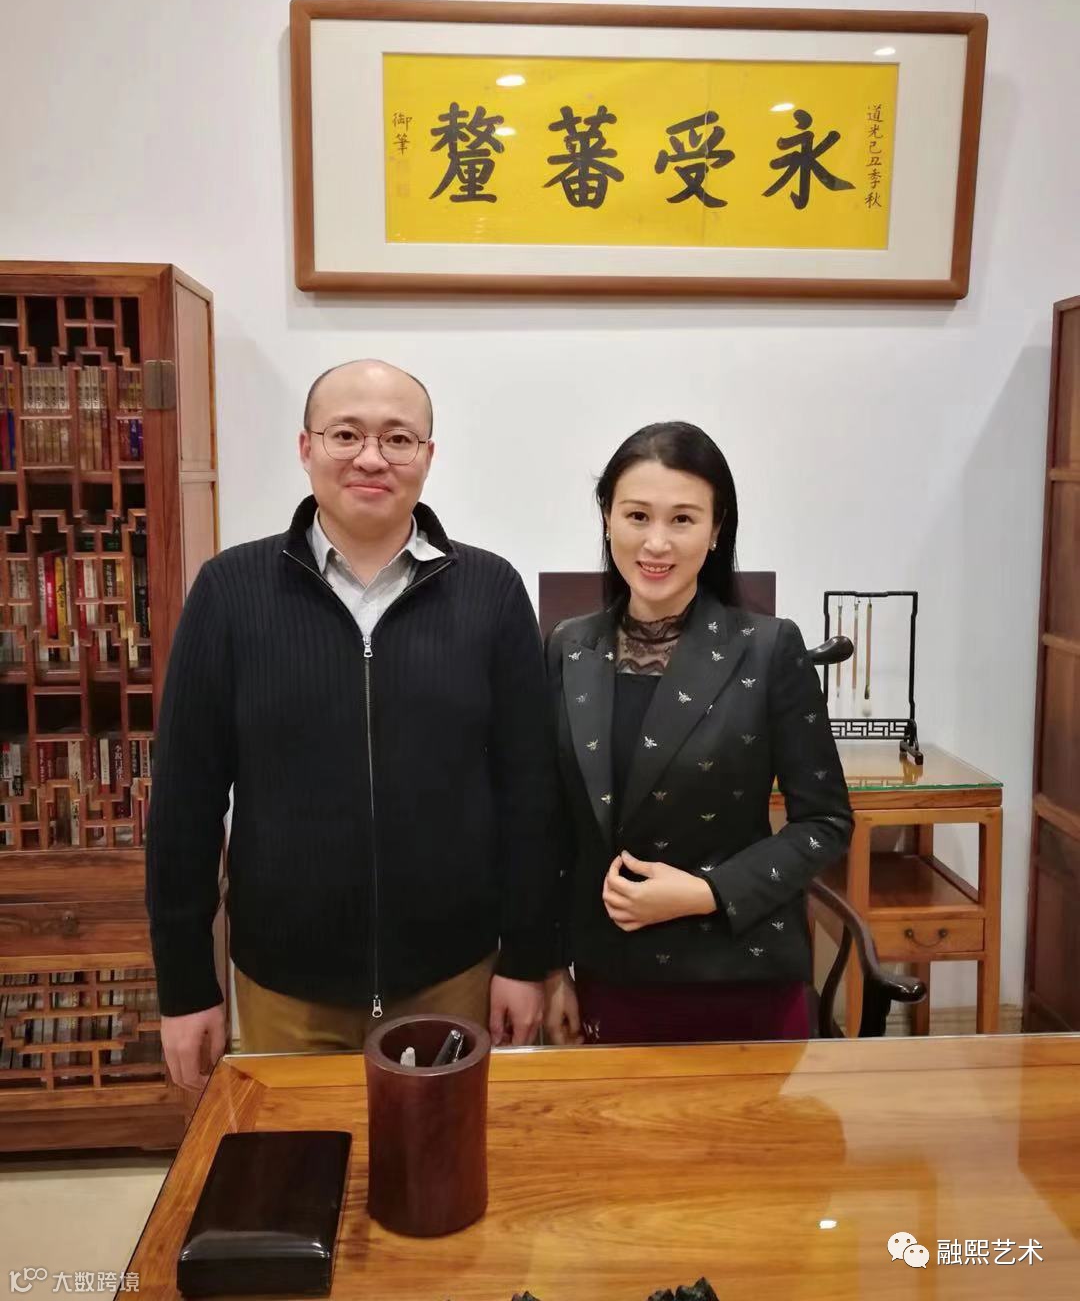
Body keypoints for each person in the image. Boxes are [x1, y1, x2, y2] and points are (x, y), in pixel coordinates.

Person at [147, 359, 560, 1089]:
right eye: (346, 434)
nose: (372, 457)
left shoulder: (491, 592)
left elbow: (530, 794)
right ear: (306, 447)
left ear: (428, 456)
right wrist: (184, 986)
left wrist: (526, 961)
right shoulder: (229, 592)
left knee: (447, 1157)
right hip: (283, 987)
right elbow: (184, 802)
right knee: (297, 1156)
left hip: (454, 977)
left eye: (398, 438)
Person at [544, 421, 853, 1046]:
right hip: (610, 974)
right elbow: (551, 829)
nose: (656, 542)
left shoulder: (769, 647)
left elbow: (825, 823)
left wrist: (708, 892)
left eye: (683, 519)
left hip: (742, 973)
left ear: (715, 530)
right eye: (637, 515)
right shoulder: (568, 647)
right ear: (607, 518)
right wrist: (551, 970)